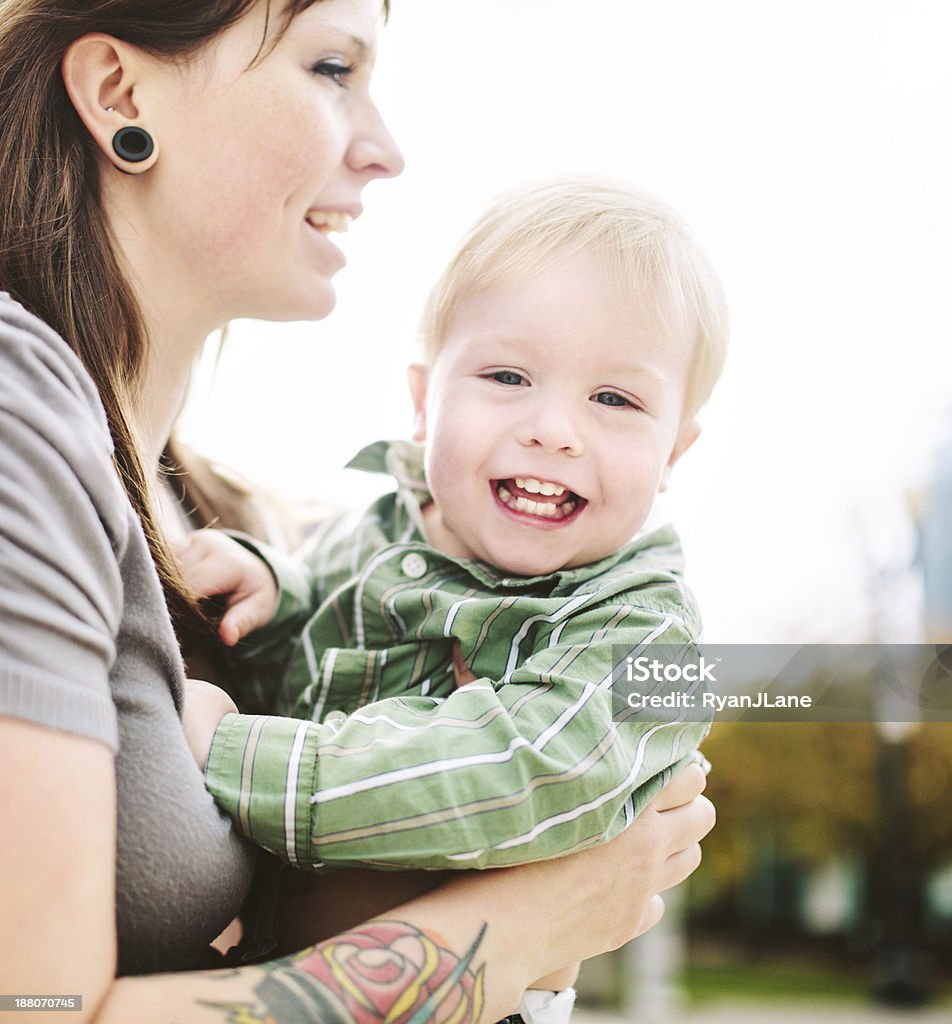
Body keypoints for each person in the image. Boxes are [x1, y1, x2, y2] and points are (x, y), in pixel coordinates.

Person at [0, 2, 716, 1023]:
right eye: (330, 66)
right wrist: (526, 926)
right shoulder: (19, 414)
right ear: (120, 91)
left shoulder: (222, 509)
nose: (385, 151)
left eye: (614, 398)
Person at [177, 177, 727, 1023]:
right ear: (426, 401)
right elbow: (316, 636)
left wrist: (237, 758)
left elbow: (524, 770)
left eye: (614, 399)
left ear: (673, 454)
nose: (555, 428)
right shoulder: (381, 532)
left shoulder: (645, 626)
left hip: (475, 1002)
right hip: (286, 981)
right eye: (508, 375)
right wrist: (276, 591)